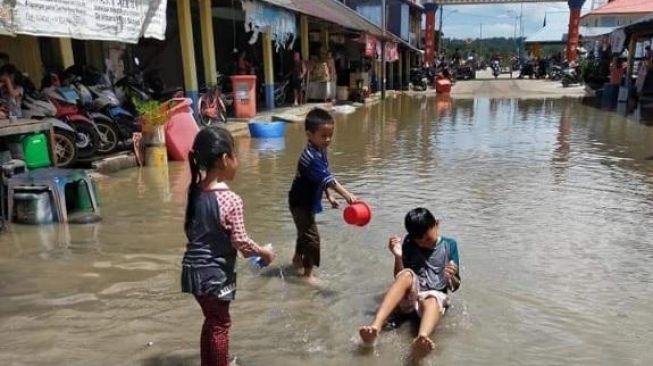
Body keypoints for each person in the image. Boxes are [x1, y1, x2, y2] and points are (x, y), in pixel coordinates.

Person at [181, 127, 275, 366]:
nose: (238, 161)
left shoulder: (194, 192)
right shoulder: (231, 199)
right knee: (221, 324)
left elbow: (190, 231)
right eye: (236, 155)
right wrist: (264, 252)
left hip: (191, 272)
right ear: (225, 159)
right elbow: (241, 242)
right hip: (215, 276)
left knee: (212, 320)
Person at [359, 208, 461, 357]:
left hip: (433, 298)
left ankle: (422, 339)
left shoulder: (450, 245)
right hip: (412, 295)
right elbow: (399, 277)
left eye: (427, 239)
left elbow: (455, 285)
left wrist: (451, 276)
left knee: (432, 298)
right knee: (407, 274)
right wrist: (398, 256)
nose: (424, 244)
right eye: (419, 241)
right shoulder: (409, 241)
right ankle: (375, 327)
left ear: (437, 224)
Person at [288, 109, 357, 281]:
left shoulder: (320, 149)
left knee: (304, 232)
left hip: (308, 200)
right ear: (309, 135)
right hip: (300, 202)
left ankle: (297, 260)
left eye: (330, 135)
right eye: (323, 135)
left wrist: (329, 196)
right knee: (312, 239)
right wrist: (346, 195)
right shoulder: (310, 157)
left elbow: (322, 176)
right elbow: (328, 179)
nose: (327, 140)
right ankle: (308, 275)